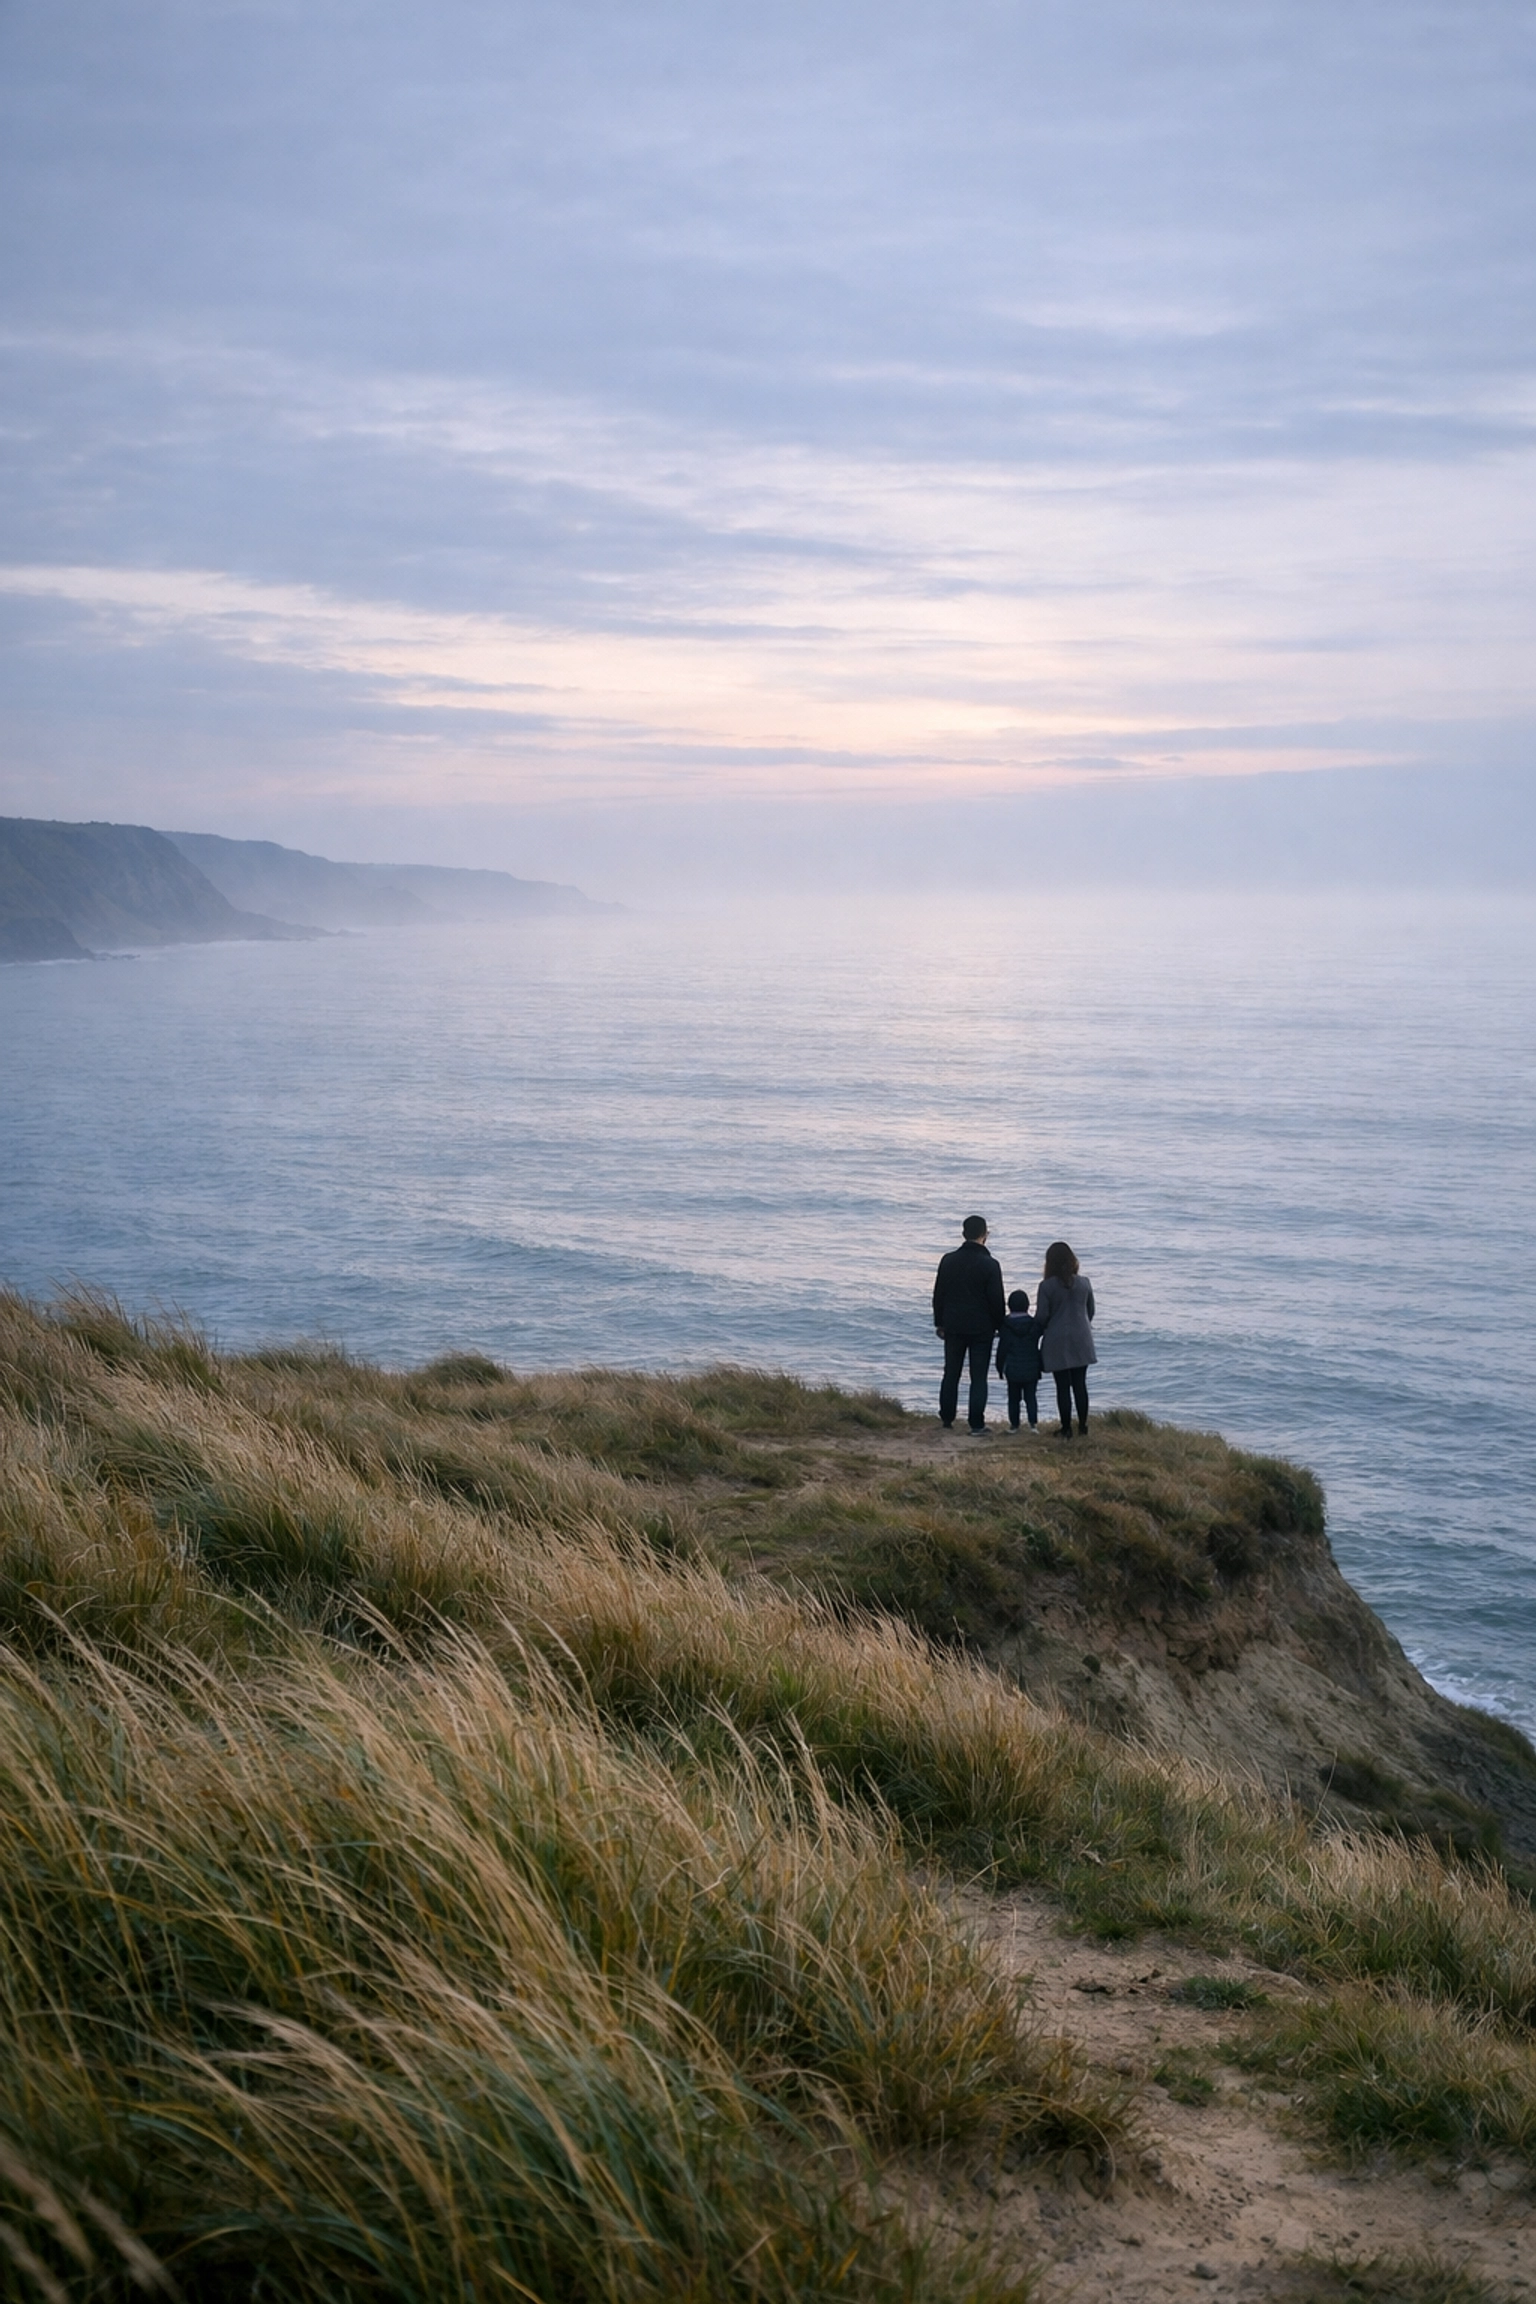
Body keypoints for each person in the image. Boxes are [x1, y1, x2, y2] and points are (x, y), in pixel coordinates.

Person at [932, 1215, 1005, 1433]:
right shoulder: (990, 1265)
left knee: (951, 1372)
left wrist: (939, 1321)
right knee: (979, 1377)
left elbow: (939, 1294)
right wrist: (1000, 1325)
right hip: (981, 1328)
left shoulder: (948, 1260)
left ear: (964, 1234)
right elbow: (996, 1300)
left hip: (953, 1324)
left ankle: (946, 1418)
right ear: (985, 1235)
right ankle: (976, 1423)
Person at [1035, 1240, 1096, 1438]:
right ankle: (1083, 1426)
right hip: (1081, 1337)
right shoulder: (1084, 1282)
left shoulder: (1046, 1286)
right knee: (1080, 1384)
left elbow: (1042, 1316)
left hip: (1057, 1339)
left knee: (1062, 1386)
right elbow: (1091, 1311)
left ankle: (1066, 1428)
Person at [995, 1288, 1043, 1432]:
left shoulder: (1005, 1327)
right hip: (1031, 1367)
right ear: (1027, 1306)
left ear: (1009, 1306)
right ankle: (1033, 1424)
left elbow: (1002, 1349)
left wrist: (999, 1367)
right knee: (1030, 1397)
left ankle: (1014, 1425)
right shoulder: (1034, 1325)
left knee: (1013, 1398)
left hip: (1013, 1368)